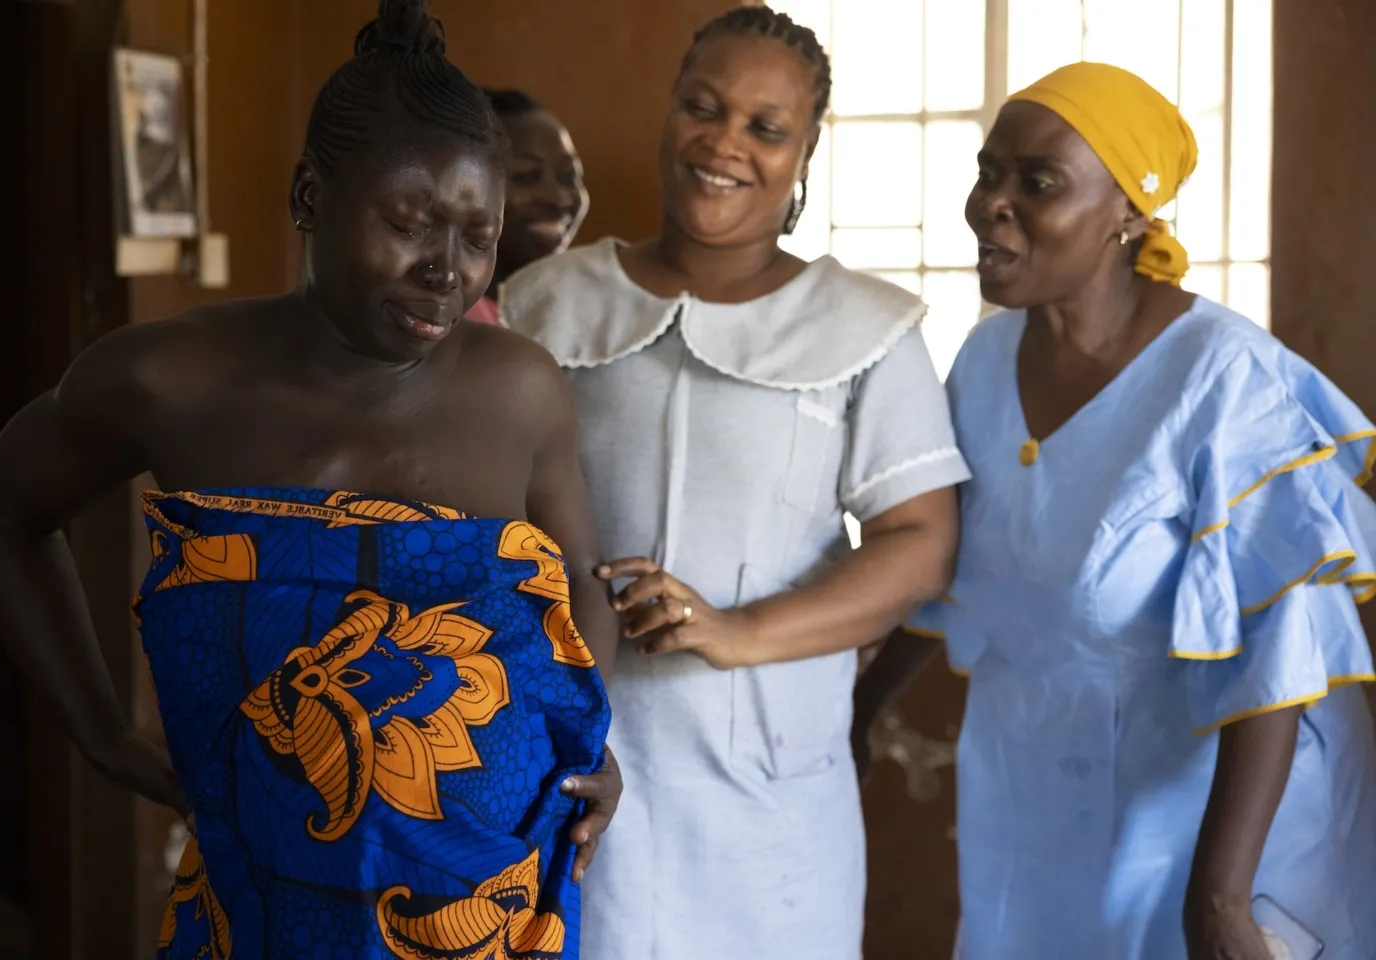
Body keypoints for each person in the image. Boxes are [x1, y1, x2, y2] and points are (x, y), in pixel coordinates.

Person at [0, 2, 623, 957]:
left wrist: (594, 744)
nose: (446, 269)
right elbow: (3, 514)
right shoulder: (167, 381)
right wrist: (99, 732)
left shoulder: (518, 391)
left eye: (477, 235)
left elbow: (577, 579)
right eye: (409, 223)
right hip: (259, 909)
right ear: (309, 195)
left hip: (492, 909)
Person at [860, 61, 1376, 959]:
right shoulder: (984, 367)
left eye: (1039, 182)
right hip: (1029, 792)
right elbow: (958, 567)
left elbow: (1287, 652)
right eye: (989, 173)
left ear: (1130, 213)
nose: (993, 205)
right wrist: (858, 714)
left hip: (1210, 822)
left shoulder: (1225, 384)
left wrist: (1217, 897)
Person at [501, 6, 968, 958]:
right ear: (669, 111)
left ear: (805, 152)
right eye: (702, 108)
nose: (724, 144)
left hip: (771, 791)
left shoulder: (865, 328)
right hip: (578, 764)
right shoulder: (548, 302)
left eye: (766, 127)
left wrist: (736, 629)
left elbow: (922, 543)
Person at [464, 87, 589, 324]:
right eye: (526, 176)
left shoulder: (582, 311)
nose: (559, 199)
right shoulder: (456, 324)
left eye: (570, 175)